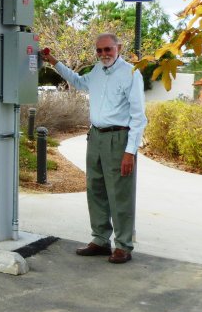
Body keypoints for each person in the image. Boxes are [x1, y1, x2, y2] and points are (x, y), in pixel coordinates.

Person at [43, 33, 146, 264]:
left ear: (118, 47)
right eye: (99, 50)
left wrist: (130, 151)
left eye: (108, 49)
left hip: (119, 139)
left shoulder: (131, 73)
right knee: (96, 189)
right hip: (96, 137)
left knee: (120, 194)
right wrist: (54, 62)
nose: (103, 54)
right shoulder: (98, 71)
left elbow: (139, 116)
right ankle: (100, 239)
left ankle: (123, 246)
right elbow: (79, 82)